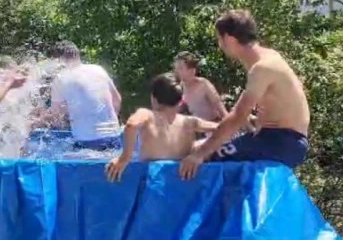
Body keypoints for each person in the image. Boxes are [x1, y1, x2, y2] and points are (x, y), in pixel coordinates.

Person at [179, 10, 311, 180]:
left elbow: (237, 116)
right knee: (198, 147)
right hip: (280, 139)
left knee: (206, 157)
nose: (219, 45)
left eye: (219, 39)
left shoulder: (262, 67)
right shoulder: (268, 57)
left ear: (228, 39)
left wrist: (200, 154)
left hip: (281, 142)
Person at [105, 72, 218, 182]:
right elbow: (222, 129)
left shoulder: (147, 115)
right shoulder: (190, 122)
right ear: (181, 101)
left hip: (153, 179)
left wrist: (124, 157)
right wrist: (202, 150)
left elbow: (131, 124)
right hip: (181, 181)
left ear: (153, 98)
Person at [33, 41, 123, 150]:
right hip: (114, 137)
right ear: (77, 54)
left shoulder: (61, 78)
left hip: (87, 142)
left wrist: (36, 122)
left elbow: (57, 119)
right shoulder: (98, 69)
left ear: (58, 61)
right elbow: (117, 99)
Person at [173, 51, 228, 123]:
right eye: (176, 68)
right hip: (192, 128)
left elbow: (220, 108)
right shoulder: (178, 89)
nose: (177, 71)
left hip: (212, 126)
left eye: (180, 68)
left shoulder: (203, 85)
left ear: (192, 70)